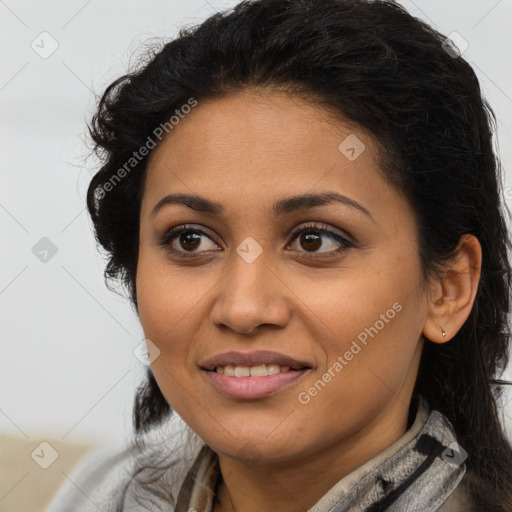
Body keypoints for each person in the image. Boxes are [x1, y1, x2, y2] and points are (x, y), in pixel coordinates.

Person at [45, 0, 512, 510]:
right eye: (191, 239)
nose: (242, 309)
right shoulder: (105, 491)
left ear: (448, 288)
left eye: (315, 240)